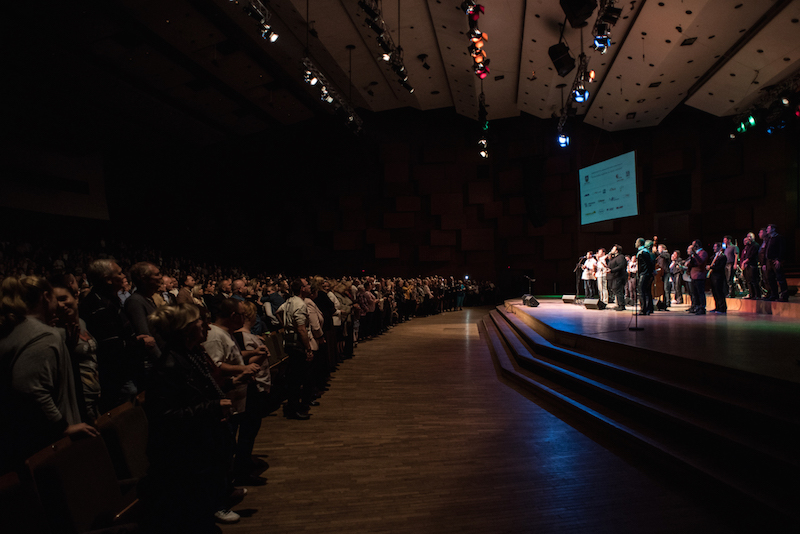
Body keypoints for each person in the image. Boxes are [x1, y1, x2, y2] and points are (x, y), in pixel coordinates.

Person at [141, 304, 237, 533]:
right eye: (198, 321)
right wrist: (213, 407)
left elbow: (200, 391)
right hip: (185, 455)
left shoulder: (191, 354)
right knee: (193, 516)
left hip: (200, 446)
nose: (204, 324)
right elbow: (165, 416)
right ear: (185, 329)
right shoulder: (169, 365)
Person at [0, 276, 98, 475]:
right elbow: (29, 386)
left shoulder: (17, 328)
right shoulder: (42, 335)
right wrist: (62, 427)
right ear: (46, 297)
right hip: (48, 441)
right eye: (55, 298)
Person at [80, 259, 155, 411]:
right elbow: (111, 346)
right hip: (117, 376)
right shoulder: (100, 306)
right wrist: (140, 343)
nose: (123, 276)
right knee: (124, 415)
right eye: (119, 273)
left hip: (123, 371)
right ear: (108, 279)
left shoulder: (109, 299)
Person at [276, 279, 314, 420]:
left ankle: (295, 406)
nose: (310, 287)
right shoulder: (299, 304)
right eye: (307, 285)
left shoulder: (290, 301)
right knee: (297, 379)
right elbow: (301, 329)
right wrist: (308, 348)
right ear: (302, 289)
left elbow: (277, 312)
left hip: (289, 341)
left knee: (295, 377)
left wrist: (286, 327)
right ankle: (294, 409)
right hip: (297, 344)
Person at [764, 223, 788, 302]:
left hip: (775, 261)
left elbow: (782, 249)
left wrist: (779, 259)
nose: (767, 230)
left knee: (780, 278)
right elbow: (765, 251)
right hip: (769, 261)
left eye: (768, 228)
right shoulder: (769, 239)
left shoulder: (779, 238)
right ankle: (774, 295)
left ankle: (784, 296)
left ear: (773, 229)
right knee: (770, 279)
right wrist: (764, 263)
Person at [685, 240, 709, 315]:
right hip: (693, 275)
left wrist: (694, 254)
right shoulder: (695, 254)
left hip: (699, 275)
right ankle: (697, 307)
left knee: (700, 293)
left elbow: (701, 262)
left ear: (697, 245)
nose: (692, 247)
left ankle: (702, 307)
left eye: (694, 245)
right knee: (695, 293)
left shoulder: (703, 253)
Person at [635, 239, 654, 315]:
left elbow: (648, 264)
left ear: (639, 243)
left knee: (641, 291)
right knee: (646, 291)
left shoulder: (643, 252)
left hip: (644, 274)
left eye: (636, 242)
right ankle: (649, 308)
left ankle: (643, 309)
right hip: (646, 274)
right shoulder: (645, 251)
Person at [707, 242, 728, 314]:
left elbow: (720, 267)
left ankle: (722, 308)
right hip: (713, 276)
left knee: (719, 292)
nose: (714, 248)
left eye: (715, 247)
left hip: (719, 276)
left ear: (719, 247)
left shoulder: (722, 257)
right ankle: (717, 307)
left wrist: (711, 267)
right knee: (714, 292)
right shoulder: (713, 257)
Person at [607, 245, 627, 311]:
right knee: (615, 290)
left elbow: (621, 266)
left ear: (616, 251)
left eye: (613, 249)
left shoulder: (620, 257)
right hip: (614, 276)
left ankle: (621, 305)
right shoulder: (614, 257)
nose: (611, 250)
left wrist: (612, 270)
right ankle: (619, 304)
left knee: (618, 291)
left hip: (619, 277)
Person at [740, 232, 760, 299]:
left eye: (750, 236)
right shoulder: (748, 246)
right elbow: (745, 256)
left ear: (753, 237)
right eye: (747, 236)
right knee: (748, 281)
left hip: (752, 265)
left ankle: (757, 295)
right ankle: (751, 294)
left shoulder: (755, 245)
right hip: (747, 266)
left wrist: (744, 262)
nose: (748, 238)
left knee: (754, 280)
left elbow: (752, 256)